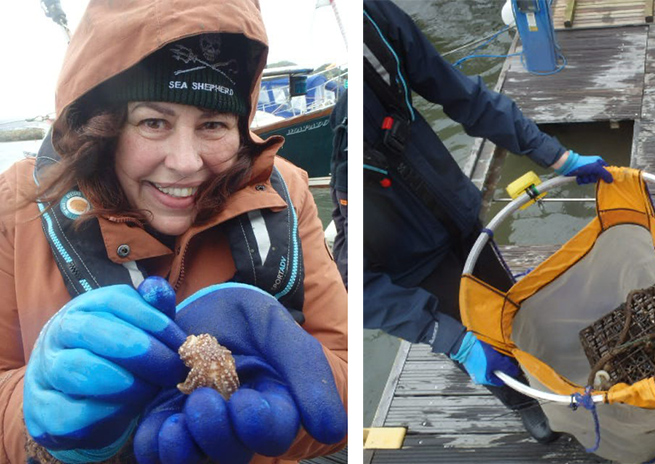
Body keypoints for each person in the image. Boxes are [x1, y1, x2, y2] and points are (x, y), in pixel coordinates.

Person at [0, 0, 348, 462]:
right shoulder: (18, 203)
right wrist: (40, 424)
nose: (185, 163)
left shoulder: (286, 191)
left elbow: (342, 381)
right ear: (102, 126)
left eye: (213, 124)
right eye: (153, 122)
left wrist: (279, 418)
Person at [362, 0, 612, 444]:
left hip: (454, 211)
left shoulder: (375, 17)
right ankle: (521, 402)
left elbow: (461, 93)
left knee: (505, 303)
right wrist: (446, 337)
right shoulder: (343, 126)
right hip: (409, 257)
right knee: (472, 338)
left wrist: (555, 155)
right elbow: (353, 281)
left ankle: (540, 371)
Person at [330, 90, 349, 287]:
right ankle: (346, 286)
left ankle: (337, 280)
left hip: (337, 180)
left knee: (341, 231)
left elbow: (332, 120)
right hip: (345, 181)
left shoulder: (344, 98)